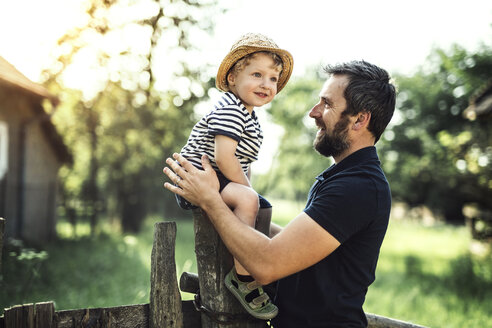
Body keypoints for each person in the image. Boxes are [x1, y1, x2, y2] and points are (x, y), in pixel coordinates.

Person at [164, 60, 396, 327]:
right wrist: (233, 209)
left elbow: (267, 265)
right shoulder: (344, 177)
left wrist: (211, 200)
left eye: (327, 104)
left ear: (360, 119)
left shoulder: (358, 187)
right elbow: (295, 246)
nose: (313, 112)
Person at [174, 33, 294, 320]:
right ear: (232, 78)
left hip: (219, 177)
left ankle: (255, 260)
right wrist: (247, 192)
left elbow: (242, 162)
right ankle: (243, 278)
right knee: (250, 199)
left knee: (260, 207)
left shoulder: (248, 116)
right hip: (199, 176)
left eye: (273, 79)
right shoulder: (230, 109)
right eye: (257, 74)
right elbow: (224, 158)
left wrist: (250, 193)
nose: (266, 84)